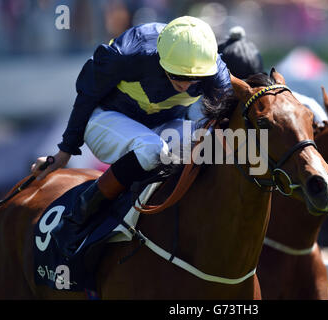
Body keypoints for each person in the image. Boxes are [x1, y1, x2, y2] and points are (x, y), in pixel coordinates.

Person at [30, 16, 231, 257]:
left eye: (194, 78)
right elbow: (86, 96)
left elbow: (225, 125)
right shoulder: (129, 52)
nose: (186, 85)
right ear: (160, 58)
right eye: (177, 75)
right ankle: (76, 220)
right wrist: (64, 152)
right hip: (106, 119)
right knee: (152, 150)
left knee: (212, 147)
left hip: (161, 126)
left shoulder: (215, 72)